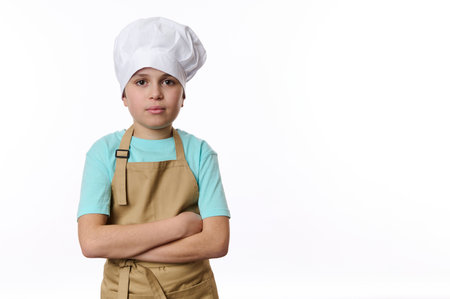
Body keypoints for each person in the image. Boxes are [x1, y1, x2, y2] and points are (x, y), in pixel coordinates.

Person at [77, 17, 230, 299]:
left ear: (183, 95)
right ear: (124, 95)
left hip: (192, 292)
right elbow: (92, 242)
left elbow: (217, 241)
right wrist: (180, 226)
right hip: (124, 292)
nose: (155, 93)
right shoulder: (102, 153)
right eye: (141, 81)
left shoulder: (200, 153)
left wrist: (127, 245)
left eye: (168, 81)